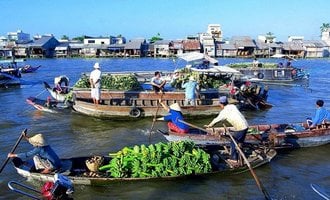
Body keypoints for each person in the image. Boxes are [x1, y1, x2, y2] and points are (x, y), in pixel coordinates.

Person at [204, 96, 249, 165]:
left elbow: (216, 120)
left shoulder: (224, 112)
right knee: (240, 142)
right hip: (245, 125)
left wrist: (209, 125)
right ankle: (241, 155)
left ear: (221, 104)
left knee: (233, 143)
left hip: (240, 128)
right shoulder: (233, 106)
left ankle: (234, 159)